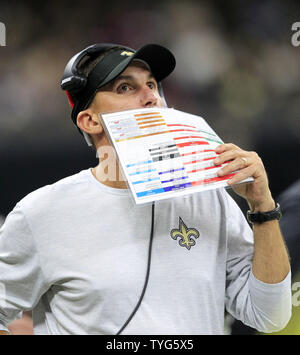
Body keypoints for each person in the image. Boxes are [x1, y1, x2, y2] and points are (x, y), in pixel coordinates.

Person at [0, 43, 291, 335]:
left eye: (152, 85)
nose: (151, 97)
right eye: (125, 87)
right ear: (90, 121)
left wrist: (262, 206)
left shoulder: (210, 197)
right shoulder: (42, 212)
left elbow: (270, 315)